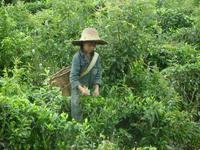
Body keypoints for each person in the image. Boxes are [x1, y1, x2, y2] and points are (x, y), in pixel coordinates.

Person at [70, 27, 108, 122]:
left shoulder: (96, 58)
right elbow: (73, 77)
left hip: (91, 89)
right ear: (83, 44)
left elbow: (98, 74)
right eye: (89, 45)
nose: (92, 47)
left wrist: (96, 88)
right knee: (77, 113)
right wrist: (82, 89)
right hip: (78, 90)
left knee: (92, 115)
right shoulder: (77, 58)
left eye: (94, 45)